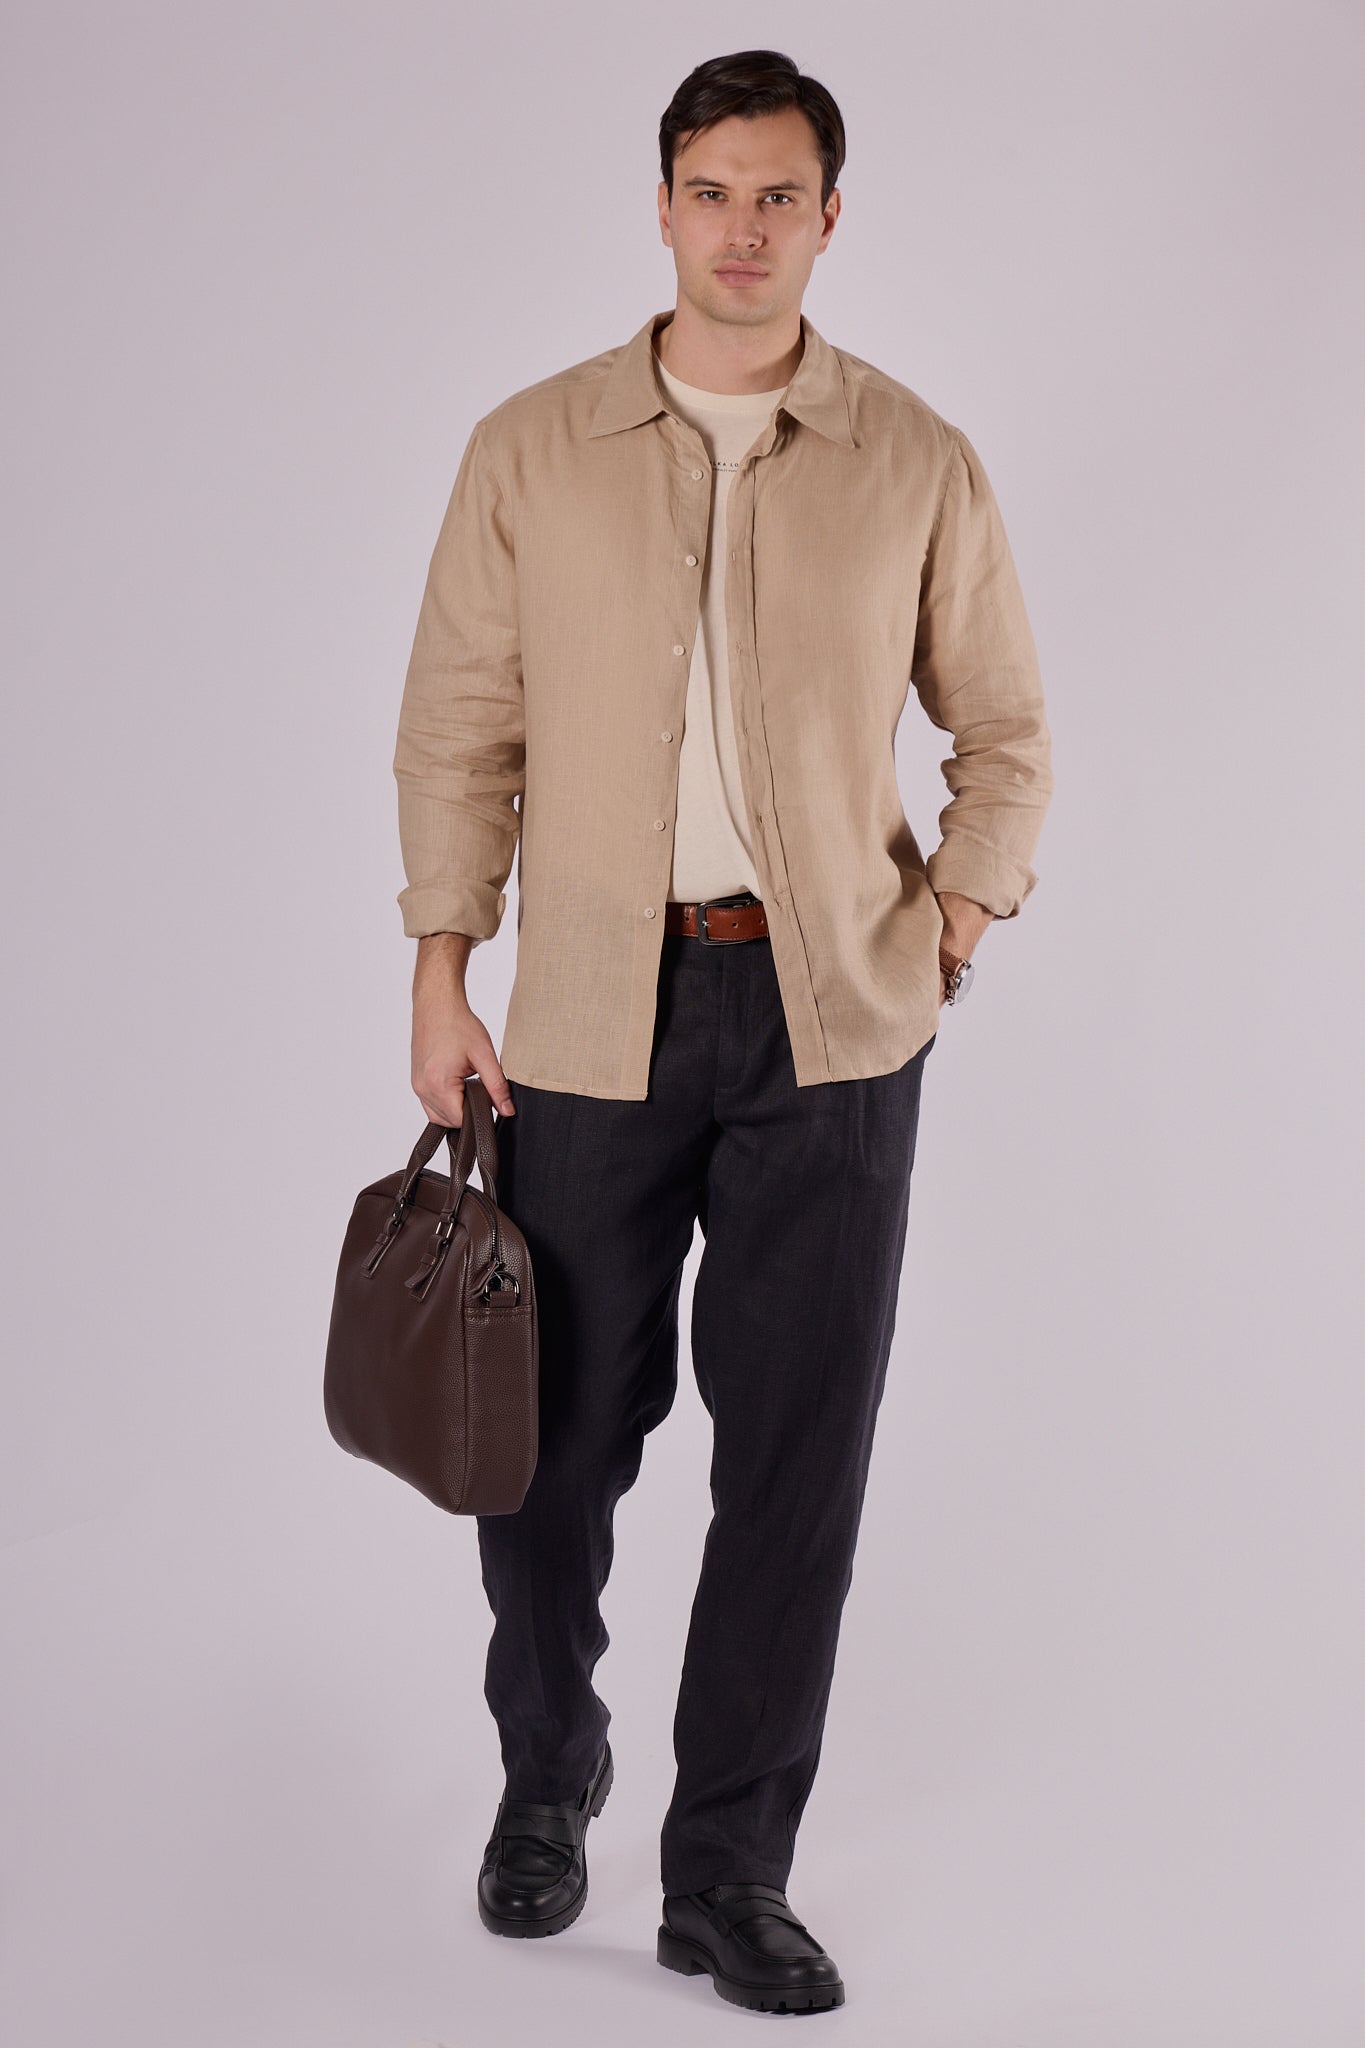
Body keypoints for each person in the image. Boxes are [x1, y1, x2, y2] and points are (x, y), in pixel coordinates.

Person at [391, 47, 1053, 2016]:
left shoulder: (913, 458)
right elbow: (459, 728)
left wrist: (945, 926)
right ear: (661, 206)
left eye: (779, 197)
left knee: (792, 1464)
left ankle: (726, 1871)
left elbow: (1005, 733)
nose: (742, 230)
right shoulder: (530, 449)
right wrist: (440, 965)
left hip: (832, 1031)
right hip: (586, 1019)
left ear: (828, 219)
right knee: (543, 1445)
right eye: (711, 191)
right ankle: (548, 1770)